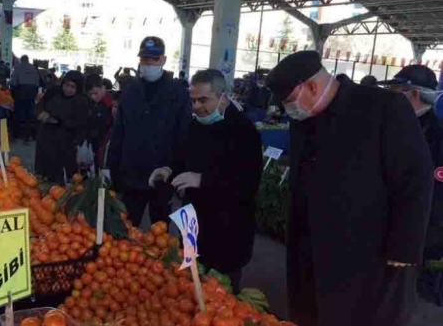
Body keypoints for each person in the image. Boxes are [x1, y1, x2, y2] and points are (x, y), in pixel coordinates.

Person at [265, 51, 433, 326]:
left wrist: (404, 245)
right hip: (311, 248)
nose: (287, 109)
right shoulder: (304, 118)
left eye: (289, 100)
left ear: (312, 86)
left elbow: (415, 177)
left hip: (369, 253)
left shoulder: (383, 107)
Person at [149, 70, 262, 292]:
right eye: (193, 101)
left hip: (227, 230)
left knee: (222, 296)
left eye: (203, 100)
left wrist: (203, 179)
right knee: (188, 288)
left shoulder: (244, 131)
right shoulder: (195, 125)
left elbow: (248, 182)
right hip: (192, 223)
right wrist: (168, 170)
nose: (197, 107)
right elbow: (182, 158)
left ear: (223, 96)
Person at [107, 36, 191, 227]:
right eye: (145, 58)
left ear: (163, 60)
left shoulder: (178, 93)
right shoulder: (130, 91)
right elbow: (118, 131)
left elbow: (183, 135)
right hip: (131, 174)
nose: (149, 63)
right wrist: (112, 168)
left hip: (162, 175)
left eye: (154, 58)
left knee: (159, 231)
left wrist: (175, 169)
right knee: (126, 228)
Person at [379, 65, 443, 260]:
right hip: (385, 234)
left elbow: (435, 200)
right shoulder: (398, 128)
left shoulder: (436, 137)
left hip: (418, 246)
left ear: (414, 93)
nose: (389, 98)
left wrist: (413, 247)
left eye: (395, 92)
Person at [35, 71, 90, 184]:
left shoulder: (82, 101)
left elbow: (79, 124)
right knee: (44, 174)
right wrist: (40, 113)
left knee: (60, 179)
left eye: (72, 87)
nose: (68, 89)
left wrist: (54, 118)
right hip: (46, 138)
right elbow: (40, 105)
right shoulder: (54, 92)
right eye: (66, 85)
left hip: (66, 144)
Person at [85, 73, 113, 168]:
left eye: (95, 93)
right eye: (90, 94)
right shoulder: (90, 103)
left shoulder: (112, 103)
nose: (93, 97)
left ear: (103, 88)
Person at [10, 55, 40, 140]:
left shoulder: (17, 68)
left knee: (18, 114)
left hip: (20, 92)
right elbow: (37, 84)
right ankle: (27, 134)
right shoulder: (33, 69)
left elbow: (13, 83)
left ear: (21, 60)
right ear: (28, 60)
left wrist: (13, 95)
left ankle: (16, 134)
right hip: (31, 94)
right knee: (29, 115)